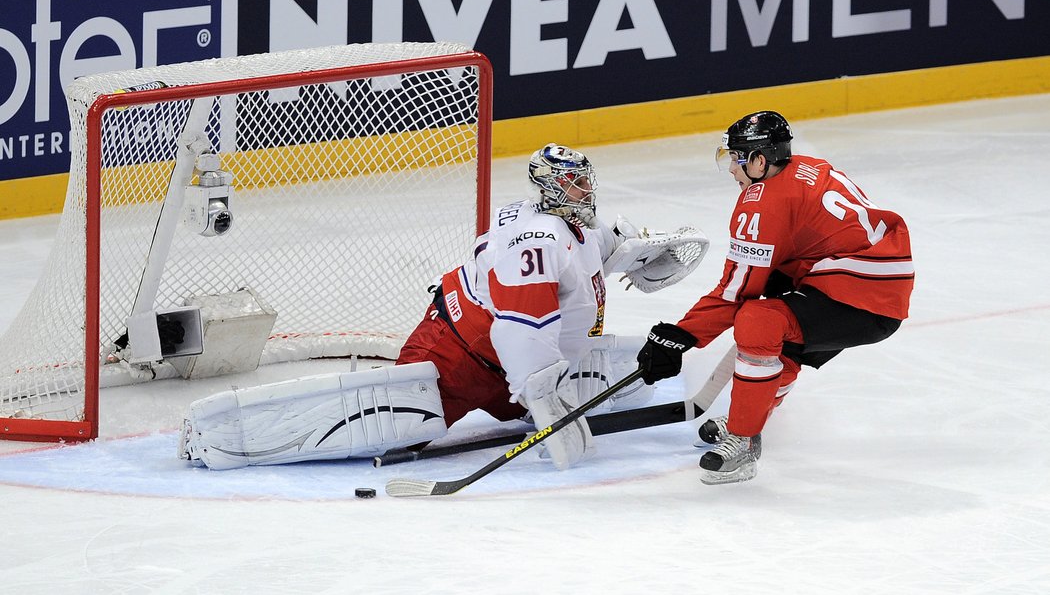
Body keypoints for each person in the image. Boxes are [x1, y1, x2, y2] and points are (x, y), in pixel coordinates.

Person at [179, 143, 708, 470]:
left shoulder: (577, 231)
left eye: (585, 180)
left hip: (512, 371)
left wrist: (637, 253)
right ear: (548, 190)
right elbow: (518, 330)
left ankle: (534, 393)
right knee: (392, 428)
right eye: (573, 183)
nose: (585, 190)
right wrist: (544, 401)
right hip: (455, 355)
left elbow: (599, 253)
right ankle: (227, 438)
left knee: (556, 380)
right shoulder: (535, 241)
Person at [635, 111, 914, 485]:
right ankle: (752, 414)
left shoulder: (763, 204)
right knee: (776, 305)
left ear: (760, 161)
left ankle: (744, 439)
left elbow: (736, 291)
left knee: (759, 320)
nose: (732, 170)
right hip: (872, 281)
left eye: (736, 159)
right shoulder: (807, 166)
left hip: (861, 297)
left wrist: (679, 337)